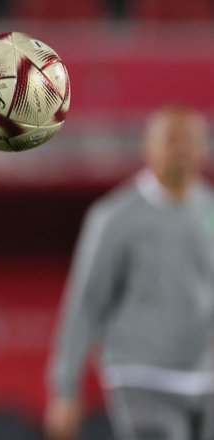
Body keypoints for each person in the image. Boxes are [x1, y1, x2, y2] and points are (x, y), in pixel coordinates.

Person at [44, 105, 214, 440]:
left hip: (204, 373)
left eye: (190, 141)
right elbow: (86, 302)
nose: (182, 151)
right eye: (172, 141)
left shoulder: (209, 211)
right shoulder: (115, 217)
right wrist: (65, 390)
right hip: (140, 373)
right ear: (149, 147)